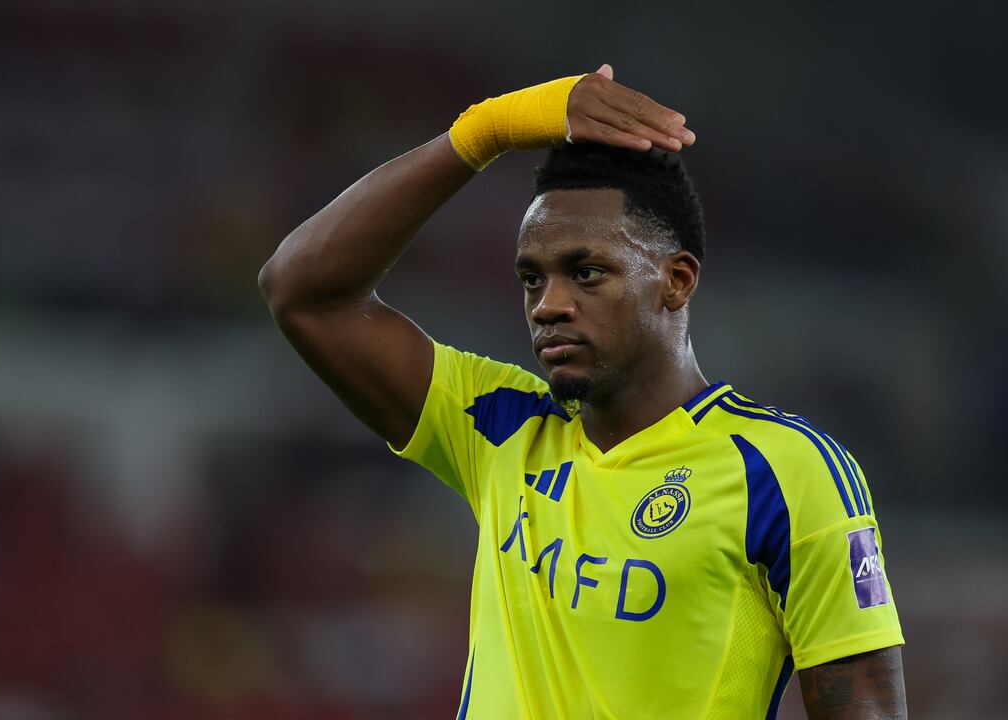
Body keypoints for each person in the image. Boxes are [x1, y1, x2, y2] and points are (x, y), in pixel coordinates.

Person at [259, 64, 907, 719]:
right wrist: (488, 130)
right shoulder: (499, 427)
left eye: (586, 273)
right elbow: (301, 291)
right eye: (532, 279)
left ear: (676, 281)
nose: (548, 305)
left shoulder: (785, 471)